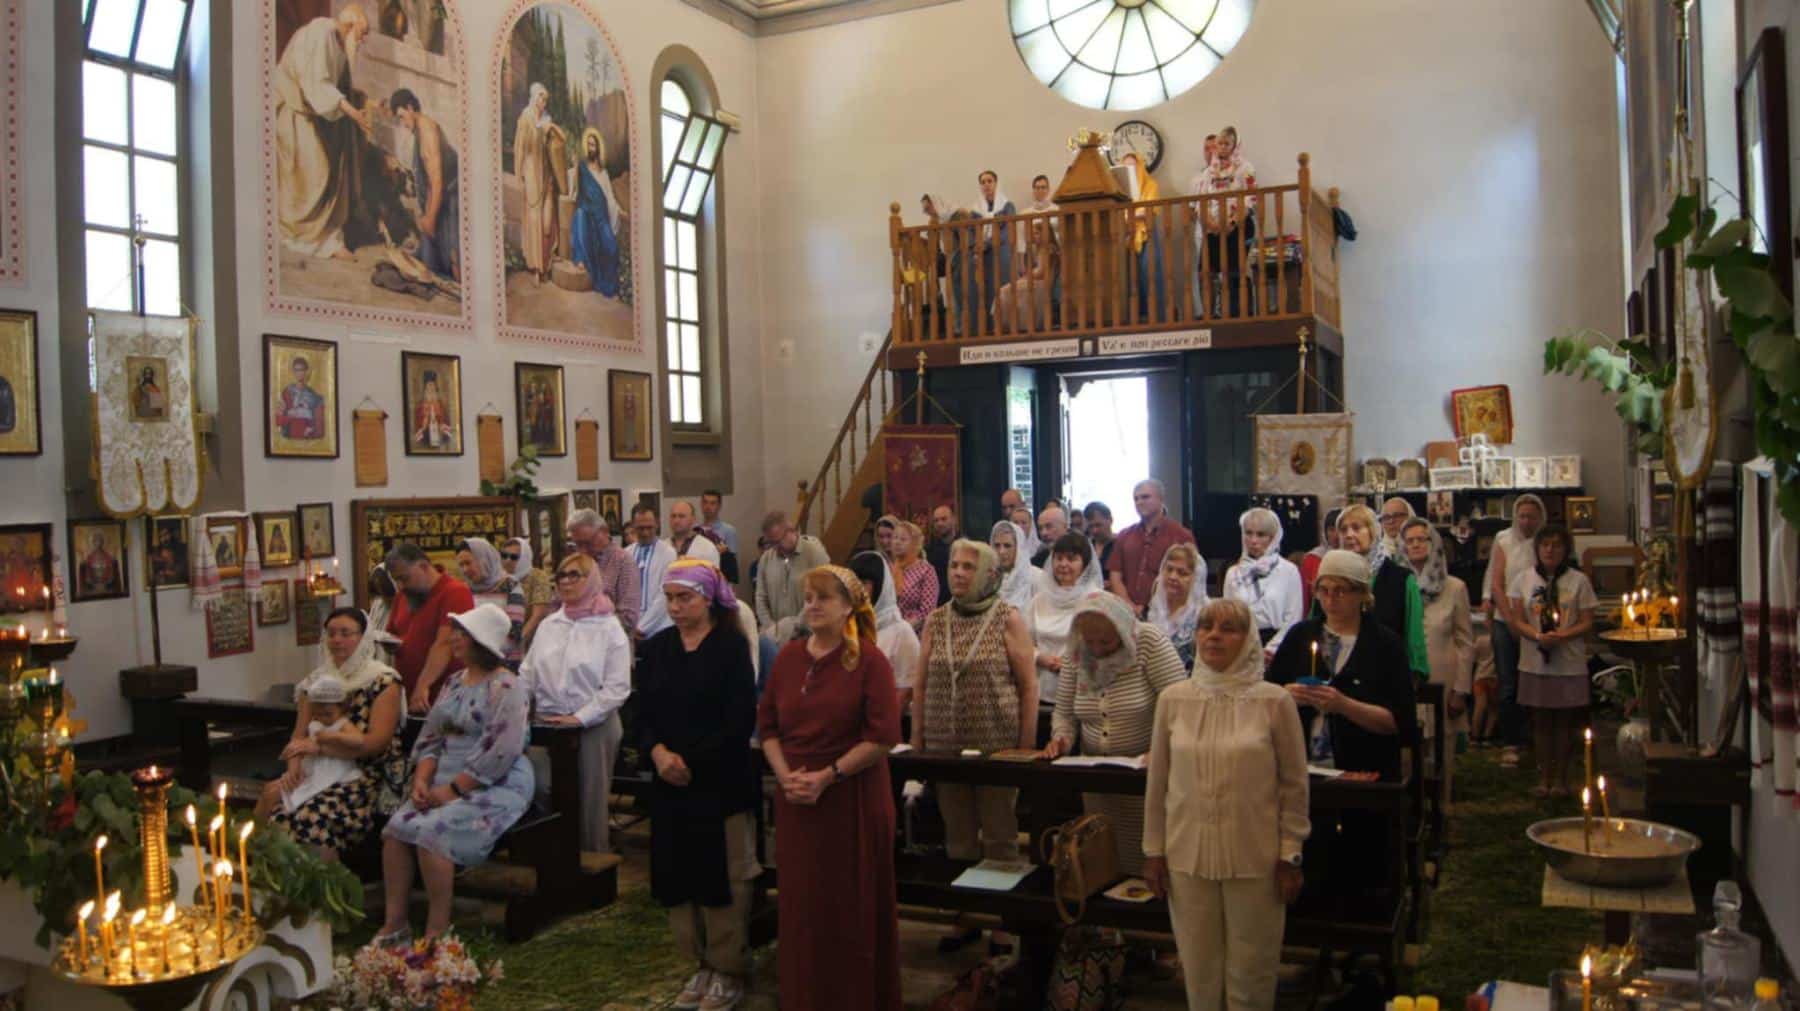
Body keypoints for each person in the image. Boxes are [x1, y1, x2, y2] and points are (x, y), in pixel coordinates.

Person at [1144, 599, 1308, 1011]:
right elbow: (1158, 782)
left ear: (1248, 639)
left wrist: (1290, 853)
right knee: (1199, 971)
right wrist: (1154, 851)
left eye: (1228, 628)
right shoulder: (1173, 700)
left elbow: (1294, 786)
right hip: (1186, 856)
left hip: (1256, 858)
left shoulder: (1274, 702)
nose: (1214, 636)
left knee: (1251, 972)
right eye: (1206, 626)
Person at [758, 567, 902, 1011]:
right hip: (798, 799)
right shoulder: (789, 658)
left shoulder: (869, 661)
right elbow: (767, 727)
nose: (813, 605)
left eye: (823, 597)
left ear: (848, 607)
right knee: (803, 908)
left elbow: (883, 737)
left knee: (848, 906)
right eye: (808, 597)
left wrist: (828, 776)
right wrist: (785, 775)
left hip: (851, 799)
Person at [641, 559, 762, 1011]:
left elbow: (738, 718)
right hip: (669, 782)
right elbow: (643, 713)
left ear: (708, 598)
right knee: (679, 873)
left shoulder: (730, 647)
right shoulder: (658, 649)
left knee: (725, 876)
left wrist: (690, 761)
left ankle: (728, 966)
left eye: (685, 598)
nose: (675, 607)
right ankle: (697, 963)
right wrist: (658, 754)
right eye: (669, 598)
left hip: (719, 780)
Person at [376, 604, 534, 948]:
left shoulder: (508, 687)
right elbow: (432, 737)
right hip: (442, 778)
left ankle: (437, 931)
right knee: (397, 830)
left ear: (480, 641)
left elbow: (501, 749)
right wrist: (422, 779)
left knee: (432, 832)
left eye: (462, 634)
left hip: (495, 781)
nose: (454, 639)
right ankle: (395, 923)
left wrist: (453, 790)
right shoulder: (453, 683)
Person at [1042, 592, 1187, 874]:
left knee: (1146, 861)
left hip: (1147, 780)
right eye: (1091, 641)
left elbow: (1181, 707)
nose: (1097, 649)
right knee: (1104, 860)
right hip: (1098, 782)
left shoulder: (1148, 641)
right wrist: (1061, 739)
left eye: (1106, 642)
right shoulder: (1076, 651)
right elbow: (1064, 712)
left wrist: (1162, 750)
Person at [915, 541, 1039, 865]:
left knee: (1000, 836)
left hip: (996, 747)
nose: (958, 572)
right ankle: (961, 895)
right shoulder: (935, 620)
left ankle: (1001, 894)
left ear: (988, 574)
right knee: (957, 837)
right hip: (944, 747)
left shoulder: (1007, 618)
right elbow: (921, 685)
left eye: (968, 567)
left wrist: (1025, 748)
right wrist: (917, 745)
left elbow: (1029, 686)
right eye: (954, 565)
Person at [259, 607, 405, 861]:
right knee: (276, 804)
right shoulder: (315, 682)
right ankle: (269, 874)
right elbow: (298, 735)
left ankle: (325, 881)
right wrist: (293, 769)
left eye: (346, 633)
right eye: (331, 633)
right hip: (316, 769)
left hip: (366, 774)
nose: (337, 640)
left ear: (363, 638)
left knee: (310, 817)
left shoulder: (383, 681)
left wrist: (320, 748)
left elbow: (375, 745)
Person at [1268, 550, 1415, 780]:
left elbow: (1400, 722)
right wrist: (1286, 695)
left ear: (1362, 594)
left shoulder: (1385, 644)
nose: (1330, 599)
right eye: (1323, 590)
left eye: (1340, 590)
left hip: (1364, 769)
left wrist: (1344, 705)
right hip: (1301, 768)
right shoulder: (1300, 636)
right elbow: (1268, 696)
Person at [521, 552, 631, 852]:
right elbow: (528, 672)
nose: (566, 582)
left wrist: (580, 717)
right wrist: (516, 704)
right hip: (547, 723)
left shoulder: (608, 627)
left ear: (592, 579)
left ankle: (591, 861)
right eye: (561, 575)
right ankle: (551, 859)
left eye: (575, 575)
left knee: (588, 800)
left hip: (594, 725)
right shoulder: (550, 624)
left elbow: (617, 687)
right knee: (541, 788)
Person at [272, 5, 374, 259]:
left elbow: (342, 90)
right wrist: (353, 113)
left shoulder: (340, 46)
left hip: (310, 112)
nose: (362, 40)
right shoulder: (321, 32)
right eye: (362, 33)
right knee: (318, 167)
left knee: (336, 161)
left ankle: (328, 237)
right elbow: (318, 84)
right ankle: (299, 235)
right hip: (293, 109)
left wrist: (368, 106)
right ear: (350, 26)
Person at [1507, 525, 1596, 798]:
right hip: (1535, 660)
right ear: (1537, 549)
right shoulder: (1523, 579)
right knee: (1541, 722)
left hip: (1568, 662)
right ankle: (1544, 777)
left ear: (1565, 550)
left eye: (1556, 545)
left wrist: (1563, 636)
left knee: (1564, 723)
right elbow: (1517, 619)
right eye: (1545, 545)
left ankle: (1562, 779)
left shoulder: (1578, 581)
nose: (1550, 550)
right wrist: (1537, 635)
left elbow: (1587, 621)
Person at [1402, 517, 1472, 805]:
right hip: (1408, 680)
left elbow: (1465, 642)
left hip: (1443, 679)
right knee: (1410, 751)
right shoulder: (1399, 586)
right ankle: (1413, 810)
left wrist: (1461, 689)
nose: (1416, 545)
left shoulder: (1454, 588)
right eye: (1409, 541)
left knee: (1441, 750)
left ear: (1434, 544)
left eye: (1422, 539)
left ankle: (1441, 810)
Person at [1335, 505, 1429, 681]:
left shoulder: (1401, 579)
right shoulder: (1331, 578)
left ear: (1373, 532)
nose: (1348, 535)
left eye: (1356, 527)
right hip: (1339, 675)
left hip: (1387, 676)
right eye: (1343, 529)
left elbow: (1414, 637)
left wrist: (1414, 676)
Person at [1486, 494, 1545, 770]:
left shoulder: (1544, 542)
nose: (1526, 521)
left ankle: (1536, 738)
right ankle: (1510, 742)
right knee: (1508, 682)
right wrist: (1510, 619)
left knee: (1534, 680)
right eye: (1521, 516)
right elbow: (1497, 582)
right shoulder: (1504, 539)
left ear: (1539, 518)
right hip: (1504, 619)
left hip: (1536, 622)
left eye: (1531, 516)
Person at [384, 542, 476, 712]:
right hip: (408, 693)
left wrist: (422, 686)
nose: (401, 586)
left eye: (404, 578)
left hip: (442, 695)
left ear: (423, 566)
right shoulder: (403, 596)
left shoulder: (455, 592)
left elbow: (445, 643)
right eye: (396, 580)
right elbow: (394, 633)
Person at [390, 88, 459, 281]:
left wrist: (430, 218)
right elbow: (429, 183)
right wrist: (427, 215)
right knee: (426, 264)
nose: (403, 124)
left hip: (452, 202)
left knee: (455, 265)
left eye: (402, 117)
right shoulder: (420, 130)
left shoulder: (427, 131)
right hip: (439, 198)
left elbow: (437, 182)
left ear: (410, 108)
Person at [1189, 125, 1257, 317]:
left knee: (1233, 272)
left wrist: (1232, 222)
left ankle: (1235, 315)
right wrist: (1209, 223)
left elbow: (1250, 197)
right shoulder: (1208, 172)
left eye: (1227, 144)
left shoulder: (1246, 168)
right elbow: (1200, 200)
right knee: (1205, 272)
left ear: (1235, 145)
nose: (1223, 147)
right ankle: (1209, 316)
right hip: (1212, 228)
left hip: (1238, 226)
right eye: (1220, 143)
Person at [1027, 532, 1104, 702]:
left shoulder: (1097, 600)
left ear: (1085, 564)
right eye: (1058, 558)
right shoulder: (1039, 600)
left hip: (1083, 691)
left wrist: (1070, 663)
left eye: (1071, 559)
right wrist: (1040, 657)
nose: (1063, 564)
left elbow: (1106, 647)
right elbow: (1024, 642)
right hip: (1042, 689)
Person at [275, 677, 363, 814]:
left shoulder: (342, 723)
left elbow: (359, 740)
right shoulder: (316, 723)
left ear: (341, 707)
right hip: (314, 765)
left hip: (335, 765)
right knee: (287, 790)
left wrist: (335, 735)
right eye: (318, 714)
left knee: (312, 793)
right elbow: (301, 741)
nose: (323, 718)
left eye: (328, 714)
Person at [1108, 479, 1196, 615]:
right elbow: (1115, 575)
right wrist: (1129, 606)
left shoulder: (1181, 536)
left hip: (1167, 614)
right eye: (1136, 499)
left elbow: (1190, 578)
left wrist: (1154, 610)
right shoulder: (1124, 535)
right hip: (1126, 612)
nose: (1139, 502)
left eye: (1145, 497)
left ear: (1161, 499)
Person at [1223, 508, 1305, 648]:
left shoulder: (1289, 571)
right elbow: (1228, 616)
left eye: (1261, 535)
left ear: (1273, 538)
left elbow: (1293, 616)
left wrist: (1272, 649)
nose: (1253, 540)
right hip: (1241, 644)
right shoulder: (1233, 573)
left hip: (1279, 644)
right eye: (1248, 533)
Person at [852, 551, 921, 709]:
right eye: (853, 583)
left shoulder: (901, 632)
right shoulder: (845, 627)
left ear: (880, 586)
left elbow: (905, 692)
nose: (856, 591)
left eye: (863, 583)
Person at [753, 510, 830, 643]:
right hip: (776, 637)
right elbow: (760, 596)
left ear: (791, 531)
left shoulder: (815, 553)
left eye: (778, 541)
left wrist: (794, 628)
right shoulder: (766, 558)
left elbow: (822, 594)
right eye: (771, 543)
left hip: (809, 635)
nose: (775, 547)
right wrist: (771, 628)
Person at [512, 82, 563, 282]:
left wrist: (552, 128)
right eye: (541, 97)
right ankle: (536, 267)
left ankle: (545, 261)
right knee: (534, 218)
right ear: (534, 97)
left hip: (546, 173)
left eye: (545, 98)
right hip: (531, 171)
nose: (543, 101)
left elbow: (560, 142)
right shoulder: (525, 118)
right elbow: (519, 147)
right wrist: (519, 174)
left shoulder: (547, 119)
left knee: (547, 221)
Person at [564, 509, 642, 634]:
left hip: (609, 641)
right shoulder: (574, 562)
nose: (583, 550)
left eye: (588, 542)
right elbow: (556, 603)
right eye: (578, 544)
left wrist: (585, 625)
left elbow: (629, 618)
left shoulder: (623, 562)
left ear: (605, 531)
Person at [569, 127, 625, 297]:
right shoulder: (582, 169)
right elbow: (573, 190)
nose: (591, 148)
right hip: (587, 213)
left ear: (598, 148)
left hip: (601, 218)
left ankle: (610, 286)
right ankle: (581, 258)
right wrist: (574, 167)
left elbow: (610, 198)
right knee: (579, 216)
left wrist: (620, 211)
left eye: (593, 145)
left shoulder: (604, 174)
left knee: (611, 247)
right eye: (588, 144)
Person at [454, 538, 525, 665]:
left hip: (507, 663)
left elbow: (515, 632)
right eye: (461, 565)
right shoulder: (465, 590)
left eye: (468, 563)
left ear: (484, 559)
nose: (465, 570)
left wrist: (488, 656)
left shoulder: (510, 586)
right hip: (475, 664)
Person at [965, 170, 1015, 333]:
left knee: (1001, 289)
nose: (986, 185)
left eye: (989, 181)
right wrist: (976, 246)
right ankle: (983, 329)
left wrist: (987, 243)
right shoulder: (975, 210)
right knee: (981, 292)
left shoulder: (1007, 206)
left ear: (996, 183)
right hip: (982, 256)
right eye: (983, 182)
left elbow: (1007, 231)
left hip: (1000, 253)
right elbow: (970, 232)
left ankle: (1003, 327)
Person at [1122, 151, 1167, 321]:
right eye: (1126, 168)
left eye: (1132, 166)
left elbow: (1148, 211)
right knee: (1132, 278)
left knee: (1150, 273)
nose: (1130, 171)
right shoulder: (1121, 190)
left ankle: (1157, 317)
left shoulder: (1150, 185)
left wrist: (1129, 215)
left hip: (1146, 234)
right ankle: (1138, 317)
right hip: (1128, 236)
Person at [1147, 543, 1207, 669]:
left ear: (1196, 579)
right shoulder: (1155, 611)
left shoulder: (1204, 615)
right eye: (1169, 569)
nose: (1173, 577)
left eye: (1182, 573)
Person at [993, 216, 1058, 331]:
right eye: (1033, 233)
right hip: (1038, 282)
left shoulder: (1047, 249)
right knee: (1007, 290)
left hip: (1042, 284)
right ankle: (1009, 323)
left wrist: (1026, 277)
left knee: (1006, 290)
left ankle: (1009, 324)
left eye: (1037, 233)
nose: (1034, 236)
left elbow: (1041, 271)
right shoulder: (1039, 249)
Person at [500, 537, 556, 651]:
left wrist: (518, 641)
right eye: (504, 556)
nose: (508, 560)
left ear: (525, 558)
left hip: (532, 641)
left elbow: (538, 615)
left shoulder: (538, 577)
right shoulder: (499, 579)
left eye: (514, 557)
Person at [631, 505, 678, 637]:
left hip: (660, 628)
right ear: (633, 526)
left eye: (649, 527)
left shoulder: (668, 553)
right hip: (631, 628)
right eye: (641, 528)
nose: (645, 533)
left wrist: (641, 627)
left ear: (657, 524)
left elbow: (665, 594)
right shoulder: (626, 553)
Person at [891, 520, 939, 635]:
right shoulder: (890, 568)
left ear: (914, 544)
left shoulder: (926, 570)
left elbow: (927, 611)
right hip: (891, 631)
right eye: (895, 537)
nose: (897, 542)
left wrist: (903, 629)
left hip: (916, 634)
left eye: (903, 539)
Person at [1298, 507, 1343, 613]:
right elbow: (1304, 597)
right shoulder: (1313, 558)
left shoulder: (1356, 558)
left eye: (1340, 529)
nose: (1336, 535)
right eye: (1331, 529)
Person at [989, 520, 1038, 611]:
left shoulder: (1036, 577)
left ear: (1019, 548)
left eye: (1007, 546)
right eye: (997, 545)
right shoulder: (988, 579)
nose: (1001, 551)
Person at [274, 356, 327, 441]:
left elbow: (318, 420)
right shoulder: (287, 392)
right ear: (293, 372)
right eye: (296, 370)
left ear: (306, 371)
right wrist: (292, 414)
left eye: (301, 370)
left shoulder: (313, 395)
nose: (299, 373)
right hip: (290, 434)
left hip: (308, 436)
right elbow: (279, 419)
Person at [700, 489, 741, 580]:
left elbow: (731, 564)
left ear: (719, 506)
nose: (708, 506)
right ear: (701, 505)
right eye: (705, 502)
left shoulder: (729, 531)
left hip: (721, 580)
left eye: (712, 503)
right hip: (699, 579)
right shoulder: (695, 531)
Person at [410, 370, 454, 450]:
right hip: (426, 436)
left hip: (440, 434)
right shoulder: (420, 407)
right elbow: (418, 427)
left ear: (436, 389)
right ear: (425, 390)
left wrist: (441, 425)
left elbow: (447, 423)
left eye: (433, 388)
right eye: (428, 388)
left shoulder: (441, 406)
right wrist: (425, 420)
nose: (431, 390)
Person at [927, 504, 958, 605]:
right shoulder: (929, 551)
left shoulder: (966, 545)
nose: (939, 523)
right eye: (936, 520)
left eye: (944, 519)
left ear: (954, 520)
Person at [1377, 497, 1417, 563]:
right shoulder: (1376, 554)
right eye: (1386, 517)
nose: (1391, 521)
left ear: (1410, 517)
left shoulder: (1422, 548)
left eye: (1397, 515)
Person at [1032, 502, 1069, 569]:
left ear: (1065, 527)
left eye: (1049, 526)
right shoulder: (1035, 562)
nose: (1044, 533)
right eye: (1040, 528)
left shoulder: (1080, 555)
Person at [1084, 501, 1117, 572]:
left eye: (1098, 525)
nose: (1094, 531)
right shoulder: (1085, 547)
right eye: (1090, 526)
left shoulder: (1121, 544)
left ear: (1110, 520)